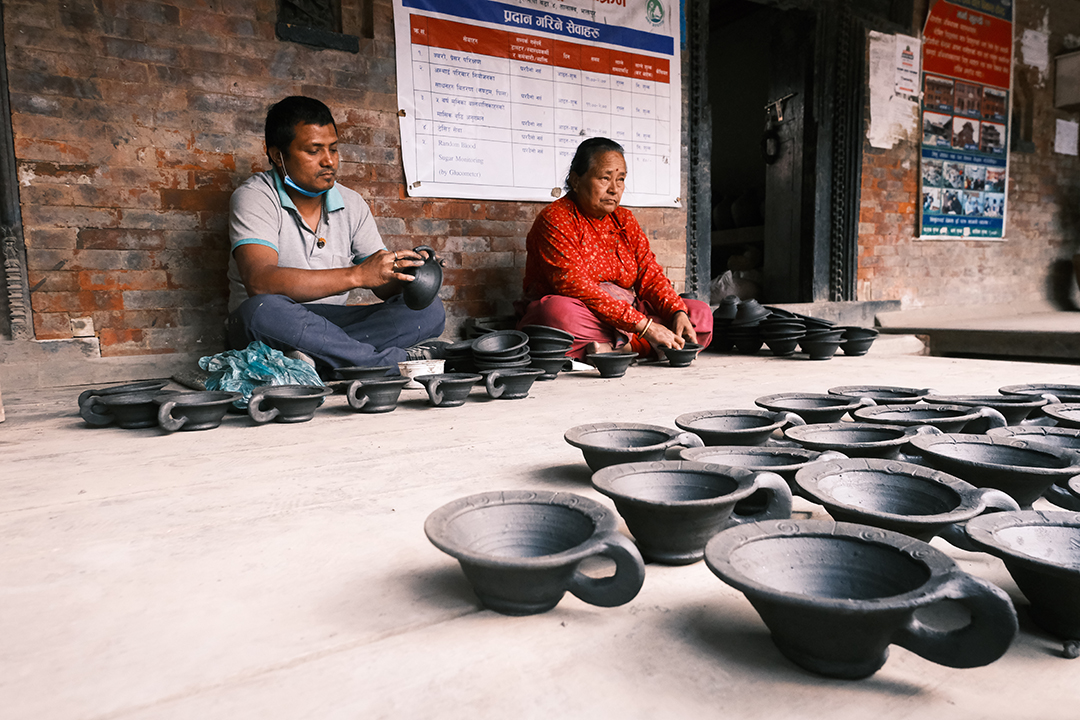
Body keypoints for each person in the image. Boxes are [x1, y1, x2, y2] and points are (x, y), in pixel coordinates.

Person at [226, 96, 446, 373]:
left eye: (333, 149)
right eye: (313, 151)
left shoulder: (351, 203)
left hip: (335, 325)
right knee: (259, 311)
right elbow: (260, 282)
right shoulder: (255, 196)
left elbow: (381, 285)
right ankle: (386, 363)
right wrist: (357, 275)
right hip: (280, 323)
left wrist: (409, 273)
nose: (329, 161)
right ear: (277, 154)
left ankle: (319, 360)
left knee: (430, 310)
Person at [518, 137, 712, 360]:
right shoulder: (555, 219)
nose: (614, 189)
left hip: (628, 312)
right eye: (605, 178)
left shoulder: (625, 220)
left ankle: (617, 349)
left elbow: (650, 276)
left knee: (699, 314)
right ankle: (646, 347)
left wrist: (677, 311)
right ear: (576, 180)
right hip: (584, 312)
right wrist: (645, 327)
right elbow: (575, 286)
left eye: (620, 180)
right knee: (556, 314)